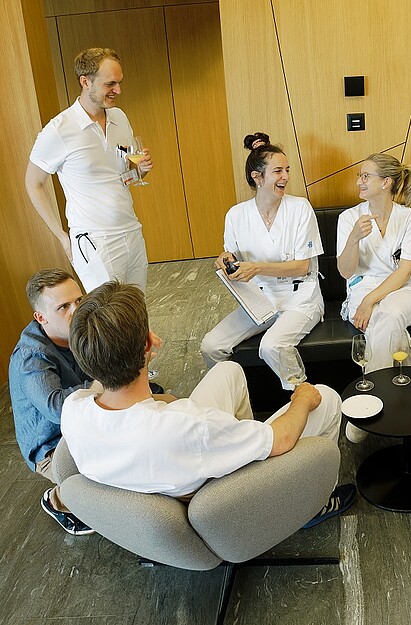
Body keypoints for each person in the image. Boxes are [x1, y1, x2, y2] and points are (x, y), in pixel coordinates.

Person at [62, 281, 355, 524]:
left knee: (229, 371)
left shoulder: (74, 409)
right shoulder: (190, 427)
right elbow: (281, 439)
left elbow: (153, 405)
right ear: (149, 344)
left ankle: (243, 443)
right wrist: (302, 398)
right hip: (216, 496)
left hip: (166, 472)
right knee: (326, 398)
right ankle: (314, 504)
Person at [201, 133, 325, 390]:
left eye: (287, 170)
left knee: (273, 345)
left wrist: (257, 267)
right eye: (278, 171)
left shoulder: (300, 208)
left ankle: (303, 398)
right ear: (257, 178)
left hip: (300, 298)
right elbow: (230, 255)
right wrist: (224, 260)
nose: (286, 177)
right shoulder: (236, 215)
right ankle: (232, 400)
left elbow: (303, 266)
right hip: (259, 300)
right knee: (211, 346)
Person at [26, 48, 153, 294]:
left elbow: (123, 174)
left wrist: (140, 171)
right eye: (110, 84)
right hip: (95, 241)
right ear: (85, 82)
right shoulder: (59, 129)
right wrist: (62, 237)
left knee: (138, 309)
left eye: (119, 82)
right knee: (109, 319)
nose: (118, 90)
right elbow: (33, 183)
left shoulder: (119, 117)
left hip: (131, 230)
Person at [338, 154, 411, 443]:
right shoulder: (349, 218)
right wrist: (353, 239)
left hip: (403, 290)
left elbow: (403, 273)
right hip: (361, 286)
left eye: (366, 176)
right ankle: (404, 399)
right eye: (359, 176)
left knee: (388, 315)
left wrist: (370, 302)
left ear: (386, 182)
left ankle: (368, 405)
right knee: (386, 321)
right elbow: (345, 271)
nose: (358, 181)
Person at [10, 269, 94, 535]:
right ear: (41, 317)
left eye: (79, 300)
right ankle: (57, 500)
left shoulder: (76, 328)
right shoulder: (31, 356)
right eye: (64, 306)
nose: (77, 310)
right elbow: (58, 409)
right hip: (51, 446)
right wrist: (107, 380)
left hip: (84, 422)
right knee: (110, 482)